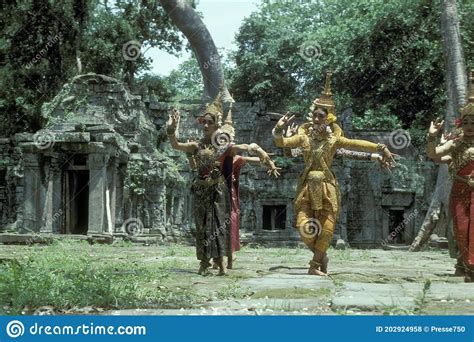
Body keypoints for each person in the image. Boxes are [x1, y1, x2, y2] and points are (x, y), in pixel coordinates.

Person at [273, 71, 396, 276]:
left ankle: (314, 265)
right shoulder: (303, 138)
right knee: (303, 226)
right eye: (314, 115)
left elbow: (356, 144)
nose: (316, 118)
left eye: (321, 116)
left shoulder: (334, 141)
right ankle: (322, 255)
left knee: (327, 227)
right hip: (305, 187)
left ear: (328, 120)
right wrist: (278, 130)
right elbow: (283, 144)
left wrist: (380, 148)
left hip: (327, 187)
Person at [167, 94, 280, 276]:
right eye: (203, 122)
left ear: (216, 125)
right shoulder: (196, 146)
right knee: (202, 226)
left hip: (218, 191)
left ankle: (220, 262)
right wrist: (172, 129)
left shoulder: (224, 146)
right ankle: (204, 262)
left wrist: (260, 151)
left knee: (218, 225)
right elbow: (175, 145)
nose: (205, 126)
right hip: (201, 190)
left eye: (209, 122)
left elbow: (243, 148)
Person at [426, 70, 474, 282]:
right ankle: (465, 263)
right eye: (466, 123)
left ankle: (470, 266)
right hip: (460, 191)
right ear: (461, 124)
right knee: (461, 229)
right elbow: (434, 154)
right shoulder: (456, 143)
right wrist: (431, 137)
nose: (470, 127)